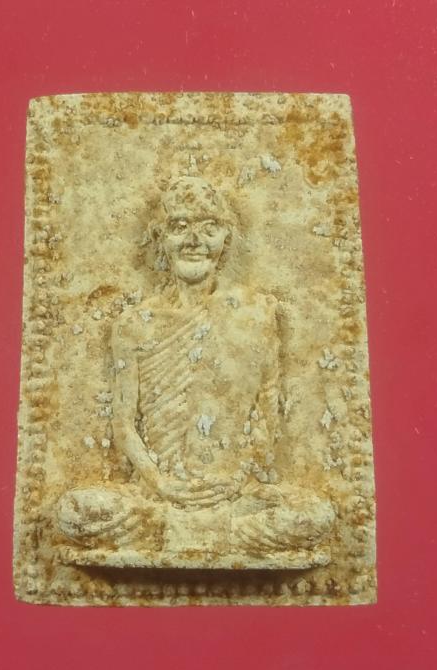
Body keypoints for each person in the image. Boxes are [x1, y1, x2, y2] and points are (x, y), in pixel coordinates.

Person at [57, 177, 334, 560]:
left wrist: (235, 480)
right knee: (74, 512)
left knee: (314, 516)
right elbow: (124, 424)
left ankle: (179, 532)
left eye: (209, 228)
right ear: (160, 238)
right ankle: (203, 531)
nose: (194, 240)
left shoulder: (256, 314)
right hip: (157, 495)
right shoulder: (135, 324)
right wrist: (162, 484)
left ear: (227, 238)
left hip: (234, 494)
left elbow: (267, 413)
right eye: (179, 226)